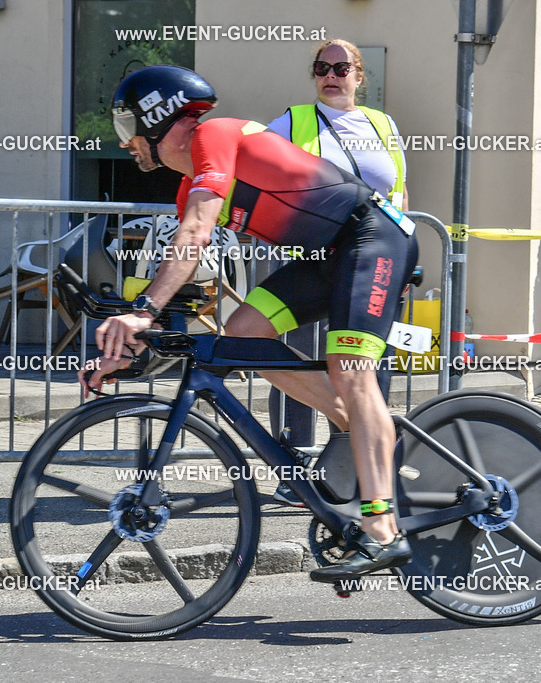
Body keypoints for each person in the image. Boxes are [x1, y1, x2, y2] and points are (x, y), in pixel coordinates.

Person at [79, 65, 418, 581]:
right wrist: (134, 350)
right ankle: (360, 428)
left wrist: (141, 311)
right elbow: (187, 275)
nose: (126, 144)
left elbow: (195, 232)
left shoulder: (213, 136)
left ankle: (382, 530)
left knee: (351, 370)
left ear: (158, 117)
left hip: (373, 238)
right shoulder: (190, 180)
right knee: (242, 335)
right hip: (331, 256)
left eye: (128, 128)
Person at [265, 38, 409, 507]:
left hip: (372, 261)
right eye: (322, 67)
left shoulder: (383, 125)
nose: (331, 75)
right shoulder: (292, 121)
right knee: (301, 358)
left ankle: (355, 474)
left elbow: (401, 194)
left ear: (359, 76)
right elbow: (253, 166)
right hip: (311, 257)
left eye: (342, 67)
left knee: (363, 370)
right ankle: (293, 467)